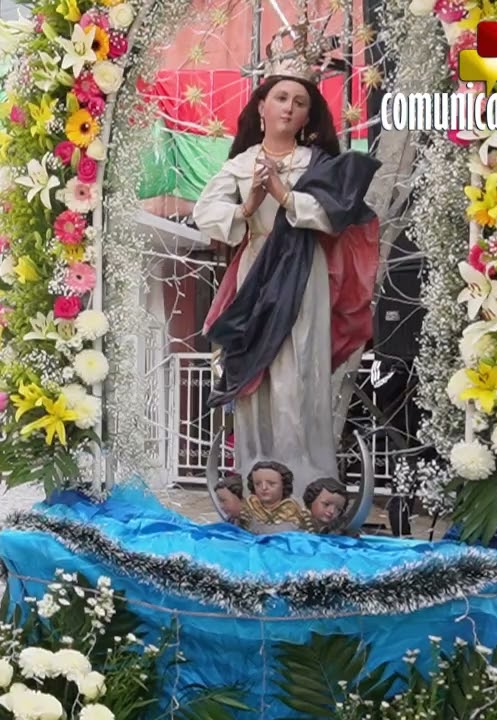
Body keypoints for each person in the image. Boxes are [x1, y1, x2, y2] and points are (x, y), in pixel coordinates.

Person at [191, 59, 381, 492]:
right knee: (256, 385)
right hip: (257, 272)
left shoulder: (318, 164)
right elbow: (206, 212)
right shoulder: (240, 165)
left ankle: (307, 491)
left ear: (308, 116)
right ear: (261, 106)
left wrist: (285, 196)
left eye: (300, 102)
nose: (289, 108)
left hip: (302, 274)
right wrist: (247, 207)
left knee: (299, 378)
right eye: (280, 98)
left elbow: (336, 215)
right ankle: (259, 490)